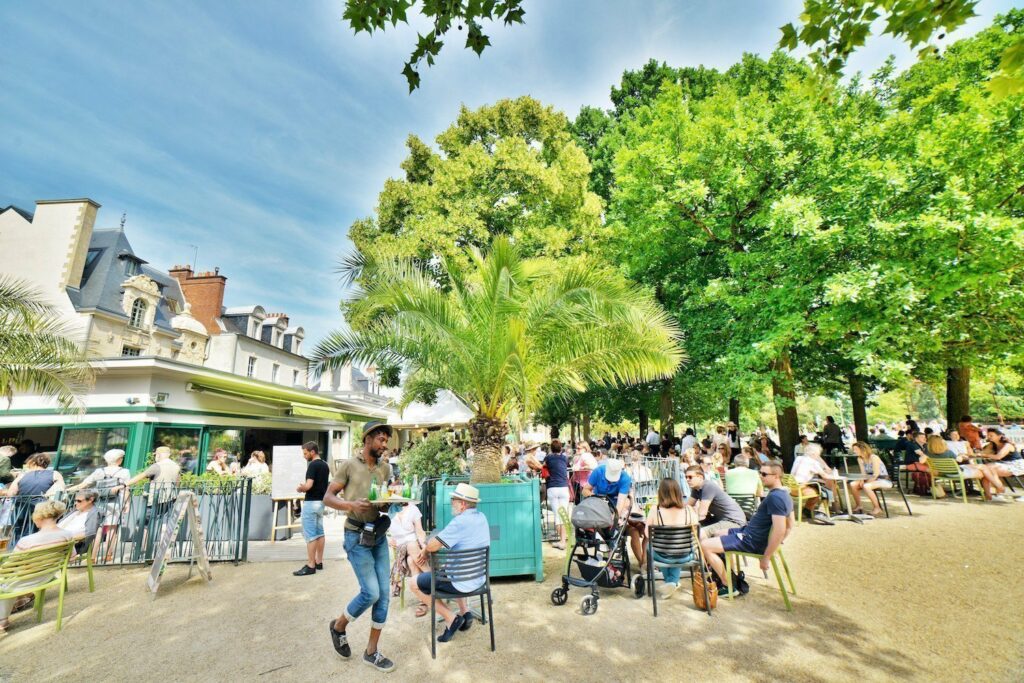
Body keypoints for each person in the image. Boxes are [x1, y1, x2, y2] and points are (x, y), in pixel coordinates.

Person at [324, 421, 395, 673]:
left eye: (386, 441)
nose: (384, 445)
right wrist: (351, 505)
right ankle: (339, 626)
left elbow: (382, 501)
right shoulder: (349, 465)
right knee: (371, 592)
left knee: (384, 595)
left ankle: (371, 652)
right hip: (355, 535)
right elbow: (328, 497)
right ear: (367, 440)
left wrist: (389, 504)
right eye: (380, 440)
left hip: (378, 535)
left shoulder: (385, 469)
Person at [408, 483, 490, 643]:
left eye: (454, 499)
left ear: (463, 504)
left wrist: (424, 550)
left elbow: (433, 546)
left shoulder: (459, 522)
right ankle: (465, 611)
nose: (452, 502)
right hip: (479, 579)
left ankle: (451, 618)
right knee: (449, 568)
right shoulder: (482, 517)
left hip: (460, 581)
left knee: (414, 584)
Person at [701, 462, 794, 595]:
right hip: (748, 533)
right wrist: (779, 543)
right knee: (717, 532)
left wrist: (767, 555)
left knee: (705, 545)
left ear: (777, 476)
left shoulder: (776, 498)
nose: (760, 477)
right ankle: (730, 574)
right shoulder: (785, 494)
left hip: (751, 540)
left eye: (764, 474)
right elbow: (791, 524)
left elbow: (780, 529)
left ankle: (729, 586)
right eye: (760, 473)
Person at [0, 500, 75, 634]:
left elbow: (9, 567)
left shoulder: (26, 541)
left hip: (21, 581)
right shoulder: (67, 535)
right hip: (47, 577)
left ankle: (2, 620)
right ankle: (12, 609)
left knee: (5, 583)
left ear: (38, 517)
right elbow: (71, 558)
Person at [645, 477, 699, 600]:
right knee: (676, 549)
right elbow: (695, 532)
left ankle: (671, 583)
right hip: (686, 554)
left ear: (661, 493)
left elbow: (647, 534)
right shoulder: (688, 510)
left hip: (663, 555)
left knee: (653, 547)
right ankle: (672, 582)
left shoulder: (655, 510)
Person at [924, 434, 1005, 501]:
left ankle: (990, 494)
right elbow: (959, 460)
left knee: (983, 467)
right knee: (984, 469)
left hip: (944, 473)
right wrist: (960, 455)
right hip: (957, 473)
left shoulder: (927, 453)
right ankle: (998, 488)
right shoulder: (948, 452)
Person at [294, 441, 330, 576]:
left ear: (312, 452)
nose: (304, 456)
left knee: (310, 535)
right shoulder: (325, 465)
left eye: (305, 453)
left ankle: (310, 565)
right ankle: (319, 561)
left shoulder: (312, 465)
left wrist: (300, 488)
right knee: (320, 533)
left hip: (310, 503)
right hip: (321, 503)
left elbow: (309, 485)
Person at [388, 499, 427, 616]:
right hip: (399, 549)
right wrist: (389, 539)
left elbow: (420, 532)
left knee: (411, 561)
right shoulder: (387, 510)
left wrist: (424, 547)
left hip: (413, 545)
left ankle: (423, 601)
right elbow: (381, 532)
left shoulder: (413, 509)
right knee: (410, 546)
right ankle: (432, 576)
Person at [684, 465, 746, 538]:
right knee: (690, 529)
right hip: (720, 519)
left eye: (690, 477)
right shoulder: (696, 489)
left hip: (734, 522)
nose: (687, 479)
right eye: (686, 477)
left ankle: (703, 548)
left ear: (700, 477)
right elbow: (687, 507)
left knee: (699, 533)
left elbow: (701, 515)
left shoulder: (708, 486)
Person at [790, 443, 838, 522]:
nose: (818, 456)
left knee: (818, 486)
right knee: (824, 490)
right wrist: (835, 476)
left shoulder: (798, 458)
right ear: (813, 453)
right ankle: (821, 511)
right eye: (818, 454)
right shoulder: (812, 462)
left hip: (792, 488)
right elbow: (824, 475)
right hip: (801, 489)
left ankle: (807, 509)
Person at [847, 442, 893, 516]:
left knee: (866, 486)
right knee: (853, 484)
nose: (854, 451)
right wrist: (862, 480)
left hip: (883, 479)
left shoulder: (873, 457)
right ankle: (859, 506)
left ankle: (877, 508)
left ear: (862, 449)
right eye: (854, 449)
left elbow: (876, 474)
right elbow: (863, 473)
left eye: (856, 449)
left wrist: (865, 483)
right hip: (870, 479)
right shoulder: (860, 458)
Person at [542, 439, 570, 550]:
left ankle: (562, 541)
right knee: (563, 514)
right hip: (563, 487)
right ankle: (564, 539)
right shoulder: (564, 458)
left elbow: (543, 466)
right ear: (561, 448)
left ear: (551, 448)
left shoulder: (548, 458)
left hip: (552, 487)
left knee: (557, 516)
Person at [57, 489, 101, 554]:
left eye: (79, 501)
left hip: (67, 544)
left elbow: (88, 534)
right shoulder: (75, 512)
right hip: (55, 539)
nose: (75, 503)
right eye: (75, 501)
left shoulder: (93, 514)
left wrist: (62, 539)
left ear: (90, 500)